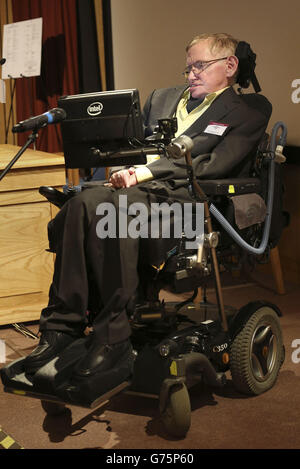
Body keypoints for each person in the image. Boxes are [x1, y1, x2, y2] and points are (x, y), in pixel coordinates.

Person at [24, 33, 270, 385]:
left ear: (229, 66)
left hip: (188, 202)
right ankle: (63, 325)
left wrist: (144, 172)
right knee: (80, 205)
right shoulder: (162, 98)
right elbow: (132, 146)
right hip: (137, 191)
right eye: (188, 67)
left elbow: (213, 165)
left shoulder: (249, 110)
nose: (191, 75)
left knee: (116, 214)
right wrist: (117, 163)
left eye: (200, 66)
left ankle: (114, 337)